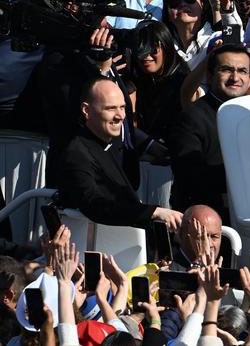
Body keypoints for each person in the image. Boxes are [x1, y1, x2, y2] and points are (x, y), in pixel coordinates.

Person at [58, 78, 182, 231]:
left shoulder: (107, 141)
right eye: (110, 109)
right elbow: (93, 204)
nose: (120, 116)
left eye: (122, 107)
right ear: (86, 110)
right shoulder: (77, 153)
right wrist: (152, 212)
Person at [167, 44, 250, 216]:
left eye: (242, 71)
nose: (235, 77)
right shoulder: (191, 118)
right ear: (210, 75)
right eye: (226, 70)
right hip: (206, 217)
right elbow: (189, 176)